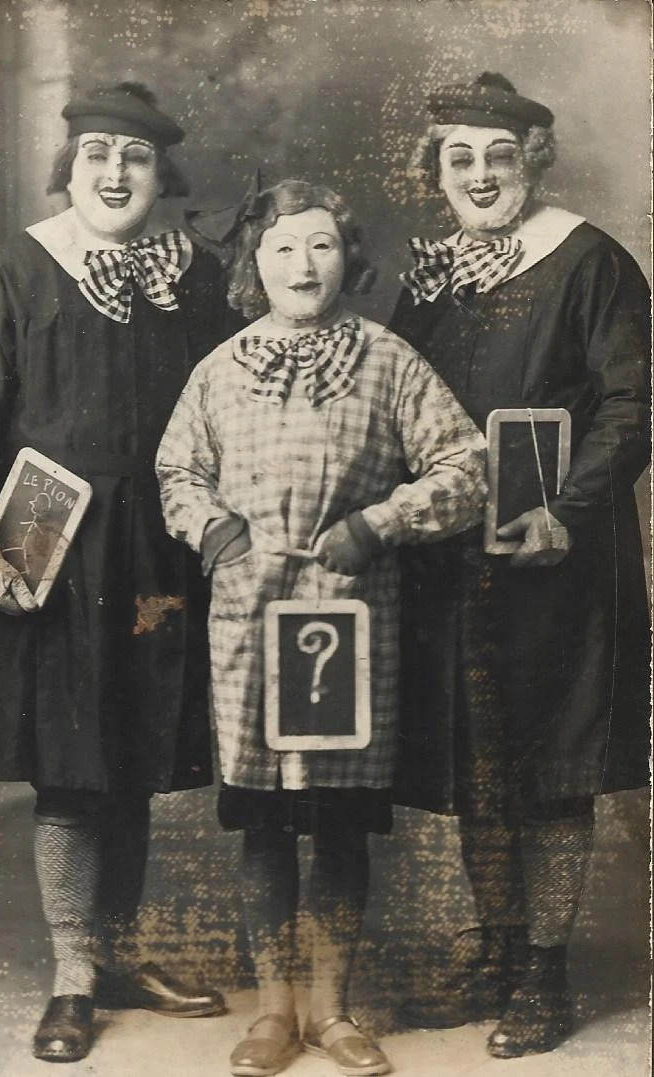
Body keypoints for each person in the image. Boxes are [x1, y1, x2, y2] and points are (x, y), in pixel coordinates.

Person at [156, 177, 486, 1077]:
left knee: (338, 821)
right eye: (282, 248)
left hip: (350, 622)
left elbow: (465, 465)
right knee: (266, 825)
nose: (303, 265)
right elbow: (178, 471)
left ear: (347, 256)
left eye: (321, 245)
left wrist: (377, 524)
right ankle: (273, 1011)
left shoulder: (387, 359)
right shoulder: (218, 369)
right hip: (249, 624)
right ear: (252, 266)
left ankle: (333, 1010)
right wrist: (215, 530)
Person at [0, 82, 240, 1062]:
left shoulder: (195, 276)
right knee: (71, 777)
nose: (115, 174)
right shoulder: (19, 268)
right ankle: (74, 974)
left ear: (163, 176)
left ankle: (114, 953)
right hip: (48, 551)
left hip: (158, 554)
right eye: (97, 157)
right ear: (69, 170)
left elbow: (222, 415)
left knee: (131, 758)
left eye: (136, 158)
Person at [389, 72, 650, 1057]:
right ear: (437, 173)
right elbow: (389, 394)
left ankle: (545, 971)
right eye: (461, 157)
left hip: (557, 555)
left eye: (501, 153)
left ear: (532, 158)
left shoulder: (589, 261)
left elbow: (633, 405)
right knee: (478, 761)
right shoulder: (430, 278)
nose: (482, 173)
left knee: (548, 764)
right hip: (455, 559)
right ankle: (496, 950)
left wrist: (568, 509)